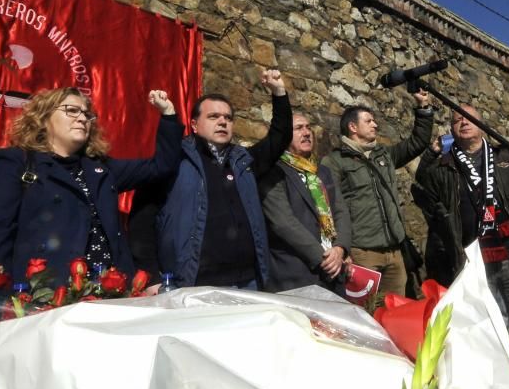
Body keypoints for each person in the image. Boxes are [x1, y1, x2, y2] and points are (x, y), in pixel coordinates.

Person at [0, 87, 182, 287]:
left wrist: (168, 114)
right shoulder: (15, 163)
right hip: (45, 296)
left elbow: (161, 166)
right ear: (43, 118)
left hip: (110, 294)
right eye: (71, 110)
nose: (82, 118)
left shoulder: (102, 168)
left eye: (87, 114)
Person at [414, 105, 509, 366]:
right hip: (474, 261)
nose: (463, 122)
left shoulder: (505, 159)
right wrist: (431, 153)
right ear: (451, 130)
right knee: (487, 331)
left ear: (482, 123)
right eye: (456, 120)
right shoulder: (444, 167)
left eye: (468, 118)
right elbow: (422, 181)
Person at [154, 69, 292, 289]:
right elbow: (144, 217)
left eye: (228, 118)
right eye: (213, 116)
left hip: (248, 281)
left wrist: (279, 92)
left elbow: (280, 137)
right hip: (195, 283)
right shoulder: (174, 160)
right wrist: (152, 277)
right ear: (194, 125)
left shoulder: (243, 162)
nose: (222, 122)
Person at [322, 92, 434, 297]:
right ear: (353, 127)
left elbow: (418, 141)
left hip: (394, 253)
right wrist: (341, 248)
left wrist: (424, 108)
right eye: (369, 121)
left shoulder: (385, 155)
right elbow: (327, 208)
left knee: (397, 310)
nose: (375, 125)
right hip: (361, 253)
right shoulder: (335, 162)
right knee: (367, 312)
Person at [259, 113, 352, 293]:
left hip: (334, 270)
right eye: (298, 128)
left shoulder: (322, 171)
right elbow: (283, 222)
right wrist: (324, 257)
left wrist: (341, 248)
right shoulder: (273, 171)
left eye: (308, 127)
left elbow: (340, 211)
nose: (307, 132)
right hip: (296, 273)